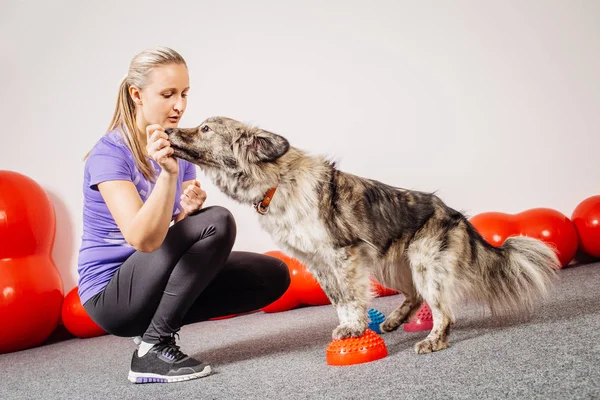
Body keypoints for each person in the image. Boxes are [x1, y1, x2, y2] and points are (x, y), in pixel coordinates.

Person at [78, 46, 290, 384]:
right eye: (167, 94)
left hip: (150, 279)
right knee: (217, 220)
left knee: (271, 275)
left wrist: (186, 214)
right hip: (112, 296)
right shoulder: (110, 154)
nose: (179, 105)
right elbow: (143, 239)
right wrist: (168, 175)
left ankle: (152, 329)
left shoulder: (179, 147)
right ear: (137, 94)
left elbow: (177, 245)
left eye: (184, 93)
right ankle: (151, 350)